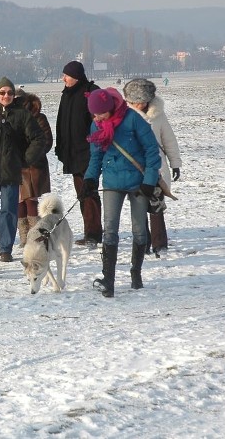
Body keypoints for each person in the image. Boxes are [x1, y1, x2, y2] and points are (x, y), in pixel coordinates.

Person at [83, 88, 161, 298]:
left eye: (100, 113)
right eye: (94, 114)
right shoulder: (96, 124)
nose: (96, 118)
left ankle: (136, 273)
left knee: (139, 230)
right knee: (109, 230)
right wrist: (90, 179)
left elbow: (152, 151)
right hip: (112, 182)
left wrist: (149, 181)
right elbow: (96, 156)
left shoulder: (133, 120)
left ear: (110, 108)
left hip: (138, 183)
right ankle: (108, 280)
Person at [0, 78, 46, 261]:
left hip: (12, 169)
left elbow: (39, 138)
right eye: (2, 92)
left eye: (10, 93)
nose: (6, 96)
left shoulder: (22, 114)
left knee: (9, 210)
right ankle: (5, 237)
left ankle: (5, 249)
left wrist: (25, 159)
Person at [123, 78, 182, 255]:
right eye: (134, 101)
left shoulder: (159, 115)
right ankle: (143, 242)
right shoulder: (125, 115)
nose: (138, 105)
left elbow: (169, 140)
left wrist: (175, 163)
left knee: (157, 206)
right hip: (135, 168)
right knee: (139, 207)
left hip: (157, 168)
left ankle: (160, 244)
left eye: (141, 101)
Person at [54, 60, 103, 247]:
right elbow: (61, 122)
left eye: (66, 75)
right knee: (82, 194)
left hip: (88, 153)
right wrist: (61, 148)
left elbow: (99, 123)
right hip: (72, 153)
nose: (63, 78)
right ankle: (91, 230)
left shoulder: (90, 92)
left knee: (88, 193)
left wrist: (95, 147)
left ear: (75, 76)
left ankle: (93, 234)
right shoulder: (67, 93)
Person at [16, 89, 53, 248]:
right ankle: (24, 236)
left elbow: (46, 141)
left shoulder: (39, 117)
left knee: (31, 200)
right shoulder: (12, 117)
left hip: (34, 166)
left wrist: (30, 155)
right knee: (18, 202)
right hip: (16, 166)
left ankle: (35, 234)